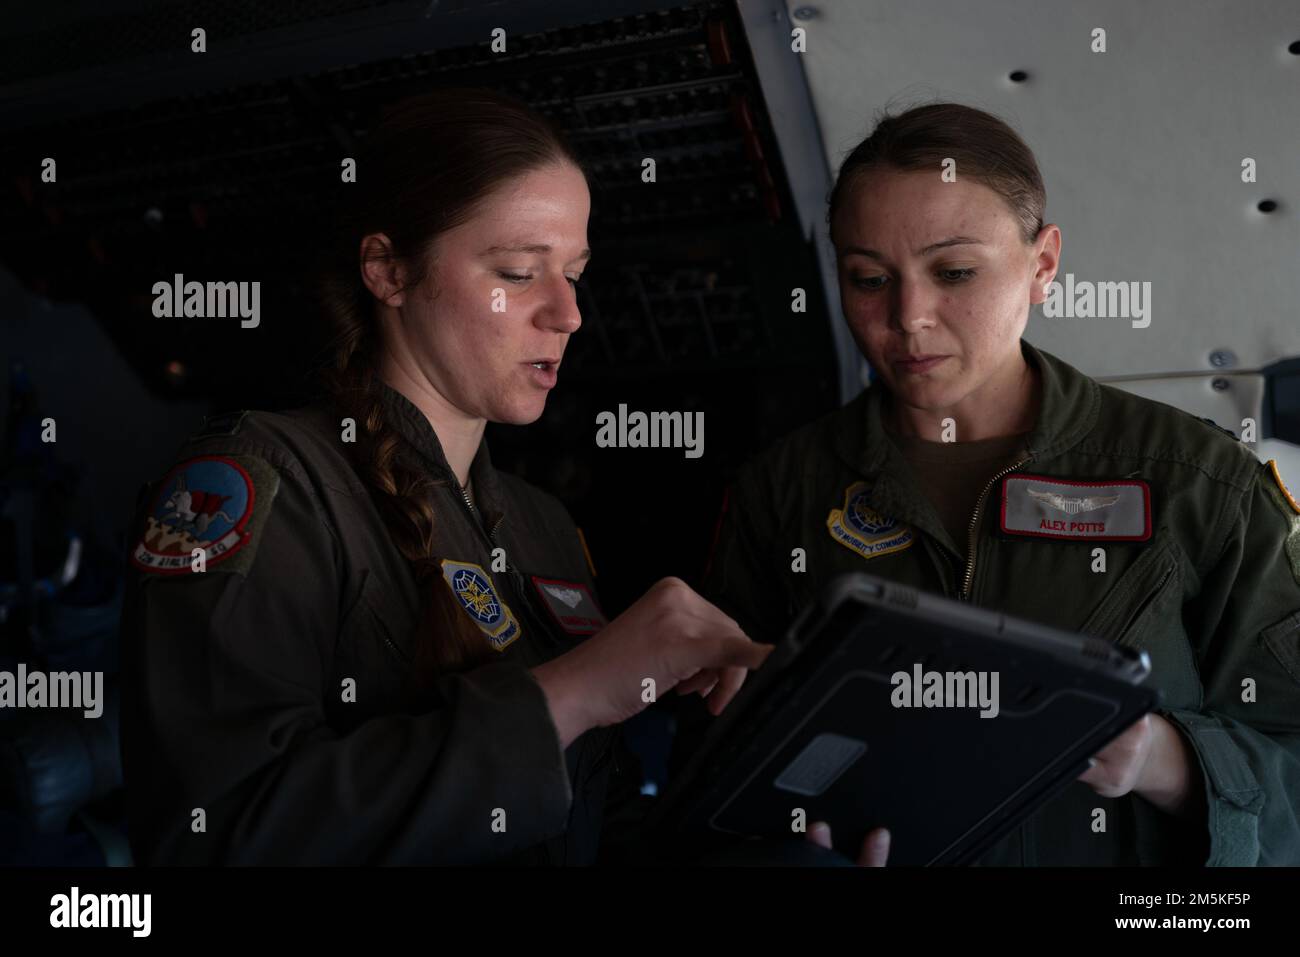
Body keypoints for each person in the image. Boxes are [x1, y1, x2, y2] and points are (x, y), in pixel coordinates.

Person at [118, 88, 776, 865]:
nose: (568, 313)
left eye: (575, 273)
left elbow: (603, 812)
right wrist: (570, 691)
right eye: (519, 270)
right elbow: (217, 834)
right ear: (389, 271)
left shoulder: (542, 526)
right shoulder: (263, 481)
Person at [701, 102, 1300, 865]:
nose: (909, 317)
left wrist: (1161, 758)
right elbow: (708, 788)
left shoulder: (1197, 485)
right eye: (868, 277)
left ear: (1043, 265)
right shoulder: (781, 494)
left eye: (954, 272)